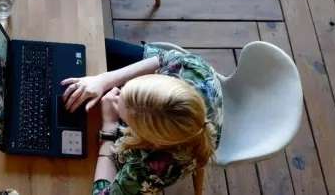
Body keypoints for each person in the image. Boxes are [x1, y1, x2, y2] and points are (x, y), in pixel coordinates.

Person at [62, 39, 223, 194]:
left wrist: (109, 127)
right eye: (125, 89)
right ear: (159, 78)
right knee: (94, 47)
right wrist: (103, 80)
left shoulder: (150, 168)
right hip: (190, 120)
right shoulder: (193, 70)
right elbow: (162, 58)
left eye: (123, 117)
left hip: (167, 154)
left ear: (146, 138)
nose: (115, 95)